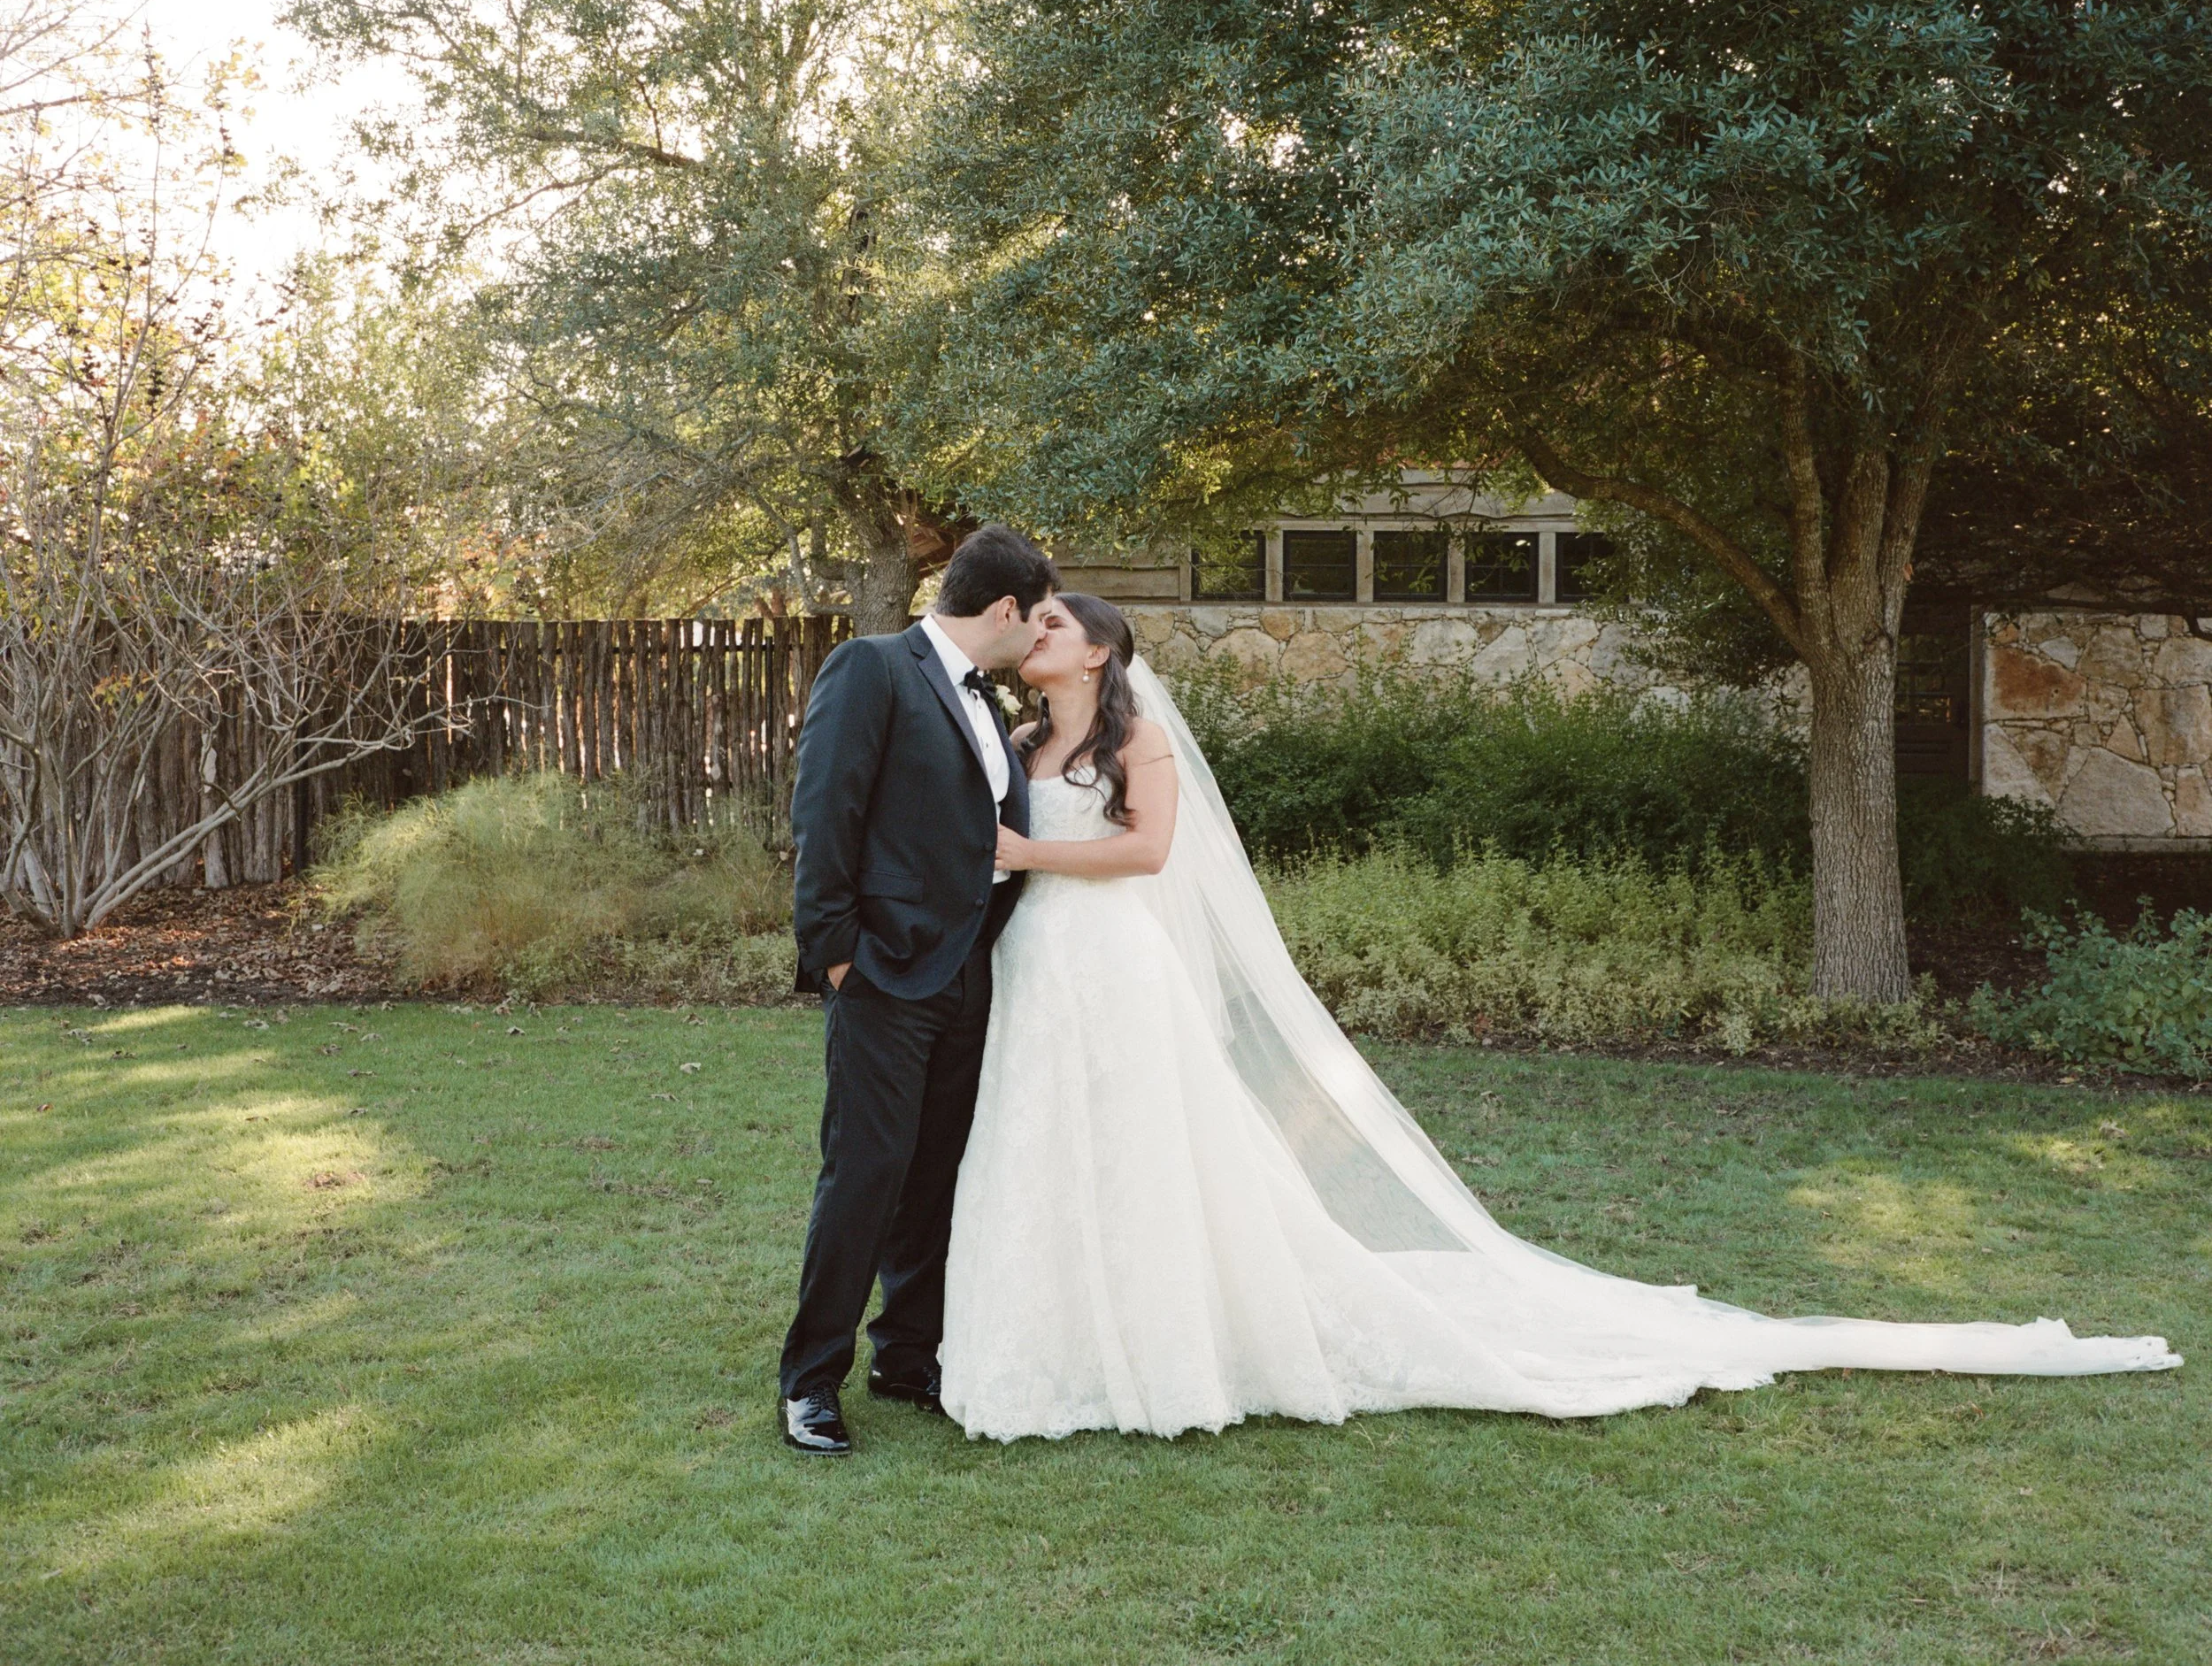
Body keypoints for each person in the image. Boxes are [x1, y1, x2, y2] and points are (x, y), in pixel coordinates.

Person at [935, 593, 2179, 1443]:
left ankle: (1155, 1349)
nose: (1032, 630)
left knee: (1147, 1155)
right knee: (1054, 1146)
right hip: (1045, 967)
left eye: (1051, 623)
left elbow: (1152, 855)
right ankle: (1055, 1343)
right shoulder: (1028, 735)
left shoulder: (1138, 746)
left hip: (1117, 963)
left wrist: (1016, 854)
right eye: (1030, 620)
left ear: (1099, 651)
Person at [779, 523, 1059, 1455]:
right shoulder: (872, 666)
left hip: (967, 970)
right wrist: (835, 955)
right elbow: (825, 812)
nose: (1041, 637)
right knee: (864, 1171)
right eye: (1039, 618)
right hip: (884, 971)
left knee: (936, 1173)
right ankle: (811, 1380)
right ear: (1006, 609)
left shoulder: (985, 703)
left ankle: (907, 1355)